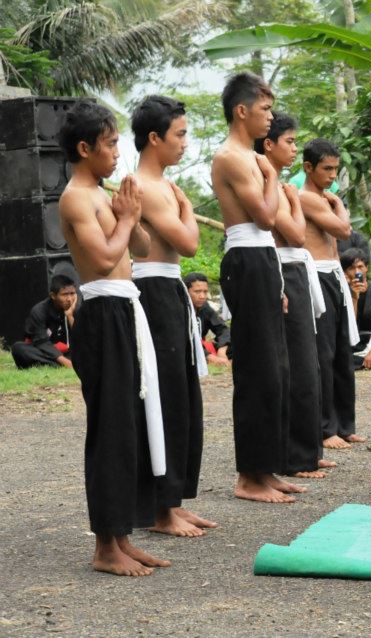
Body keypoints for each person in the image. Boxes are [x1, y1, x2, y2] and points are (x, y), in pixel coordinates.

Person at [58, 100, 169, 576]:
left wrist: (134, 214)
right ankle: (105, 546)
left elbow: (140, 248)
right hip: (103, 312)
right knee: (110, 430)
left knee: (130, 428)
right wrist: (123, 220)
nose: (118, 153)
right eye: (109, 144)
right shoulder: (76, 198)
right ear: (85, 148)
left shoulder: (104, 195)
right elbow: (103, 259)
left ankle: (122, 535)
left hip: (126, 307)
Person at [212, 72, 302, 503]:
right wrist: (269, 178)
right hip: (246, 258)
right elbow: (266, 218)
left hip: (263, 260)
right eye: (264, 109)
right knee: (257, 370)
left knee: (278, 370)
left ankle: (267, 468)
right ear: (241, 111)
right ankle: (249, 477)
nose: (270, 117)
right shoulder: (231, 157)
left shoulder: (251, 157)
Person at [129, 95, 215, 537]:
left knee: (182, 399)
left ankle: (174, 502)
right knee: (162, 400)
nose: (185, 143)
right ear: (154, 137)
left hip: (169, 290)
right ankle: (160, 511)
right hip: (152, 290)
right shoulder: (145, 186)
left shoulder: (163, 184)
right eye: (179, 135)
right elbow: (188, 243)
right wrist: (184, 209)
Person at [256, 111, 333, 480]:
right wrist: (294, 204)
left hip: (297, 269)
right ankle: (295, 457)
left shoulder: (283, 186)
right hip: (282, 269)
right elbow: (295, 233)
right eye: (289, 141)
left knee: (311, 364)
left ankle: (309, 450)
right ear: (268, 143)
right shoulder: (267, 181)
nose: (293, 148)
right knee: (295, 366)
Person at [299, 138, 364, 450]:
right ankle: (326, 428)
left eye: (336, 169)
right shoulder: (308, 198)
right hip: (318, 275)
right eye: (326, 169)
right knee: (324, 354)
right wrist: (338, 205)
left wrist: (335, 202)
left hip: (335, 275)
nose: (332, 176)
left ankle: (345, 424)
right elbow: (343, 231)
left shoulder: (326, 196)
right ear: (308, 167)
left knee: (342, 352)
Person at [11, 275, 77, 369]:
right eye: (65, 294)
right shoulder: (39, 311)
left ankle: (54, 365)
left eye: (72, 293)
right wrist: (67, 363)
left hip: (68, 351)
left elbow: (82, 339)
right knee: (18, 348)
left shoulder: (76, 308)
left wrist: (70, 316)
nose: (70, 299)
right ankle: (62, 364)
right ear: (53, 296)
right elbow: (42, 342)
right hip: (45, 351)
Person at [183, 272, 231, 365]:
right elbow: (184, 340)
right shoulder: (180, 309)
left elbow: (223, 329)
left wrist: (222, 349)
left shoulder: (205, 307)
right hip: (189, 348)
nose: (202, 296)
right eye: (197, 292)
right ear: (186, 291)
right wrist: (209, 356)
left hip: (202, 347)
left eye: (205, 292)